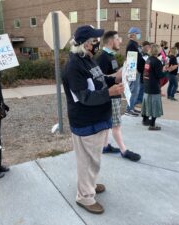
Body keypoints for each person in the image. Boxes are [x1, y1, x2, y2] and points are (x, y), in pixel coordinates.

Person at [62, 25, 124, 214]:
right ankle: (85, 197)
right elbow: (84, 96)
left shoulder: (88, 60)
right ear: (87, 44)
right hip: (86, 120)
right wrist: (110, 92)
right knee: (87, 161)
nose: (98, 42)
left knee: (93, 159)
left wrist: (115, 78)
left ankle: (90, 184)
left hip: (96, 118)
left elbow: (99, 79)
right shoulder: (74, 66)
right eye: (95, 40)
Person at [96, 30, 141, 162]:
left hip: (114, 94)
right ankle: (124, 150)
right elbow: (100, 79)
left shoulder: (111, 56)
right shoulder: (103, 57)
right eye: (117, 39)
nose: (120, 41)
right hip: (111, 95)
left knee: (107, 124)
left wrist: (124, 69)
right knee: (116, 125)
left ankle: (105, 146)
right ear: (110, 41)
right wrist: (119, 74)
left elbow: (112, 73)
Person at [142, 44, 167, 130]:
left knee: (146, 104)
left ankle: (145, 120)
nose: (161, 50)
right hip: (154, 86)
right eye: (160, 49)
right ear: (157, 50)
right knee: (155, 106)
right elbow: (160, 75)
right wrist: (166, 71)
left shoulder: (148, 60)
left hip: (147, 84)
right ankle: (152, 125)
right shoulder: (157, 61)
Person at [125, 27, 145, 117]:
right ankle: (128, 109)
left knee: (135, 91)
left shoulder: (134, 44)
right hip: (134, 71)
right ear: (133, 35)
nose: (139, 36)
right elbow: (131, 59)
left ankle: (131, 108)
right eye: (138, 34)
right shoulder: (131, 45)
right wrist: (135, 70)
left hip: (136, 70)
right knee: (133, 90)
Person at [136, 41, 151, 108]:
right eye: (148, 46)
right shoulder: (140, 54)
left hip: (144, 73)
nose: (148, 48)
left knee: (143, 88)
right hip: (140, 73)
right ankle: (138, 102)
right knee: (141, 88)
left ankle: (141, 101)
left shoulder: (146, 55)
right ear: (144, 46)